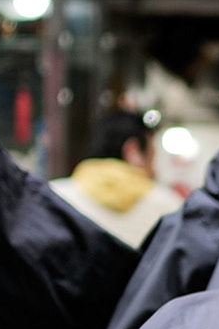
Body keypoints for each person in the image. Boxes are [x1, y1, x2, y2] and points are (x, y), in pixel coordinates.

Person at [58, 106, 178, 247]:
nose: (155, 169)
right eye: (152, 155)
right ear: (133, 150)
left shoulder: (56, 197)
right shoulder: (169, 208)